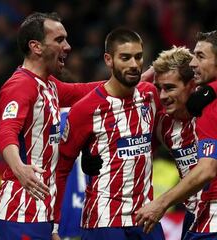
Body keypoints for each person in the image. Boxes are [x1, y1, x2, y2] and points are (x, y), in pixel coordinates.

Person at [136, 30, 217, 240]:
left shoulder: (211, 108)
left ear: (193, 85)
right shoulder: (163, 123)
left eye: (170, 88)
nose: (162, 96)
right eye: (159, 88)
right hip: (213, 214)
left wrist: (160, 204)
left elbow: (207, 169)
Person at [0, 12, 99, 239]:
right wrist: (19, 168)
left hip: (42, 211)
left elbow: (87, 91)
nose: (68, 46)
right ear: (36, 47)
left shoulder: (49, 85)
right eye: (59, 40)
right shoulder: (20, 85)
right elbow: (6, 132)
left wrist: (137, 79)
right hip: (20, 211)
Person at [53, 27, 165, 240]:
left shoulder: (150, 96)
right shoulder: (85, 110)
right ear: (108, 60)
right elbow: (61, 169)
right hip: (104, 221)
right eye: (125, 58)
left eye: (138, 57)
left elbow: (155, 141)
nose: (134, 64)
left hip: (145, 217)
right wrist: (54, 226)